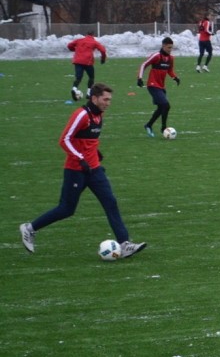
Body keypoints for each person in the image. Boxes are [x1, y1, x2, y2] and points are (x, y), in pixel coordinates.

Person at [19, 83, 146, 259]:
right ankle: (30, 228)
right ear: (94, 98)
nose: (108, 103)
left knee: (111, 202)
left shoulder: (99, 115)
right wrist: (80, 158)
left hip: (94, 169)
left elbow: (89, 139)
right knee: (66, 209)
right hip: (76, 170)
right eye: (105, 99)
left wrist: (96, 153)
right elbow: (64, 139)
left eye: (110, 100)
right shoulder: (81, 115)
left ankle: (124, 244)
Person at [138, 37, 181, 137]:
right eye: (168, 47)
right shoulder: (157, 56)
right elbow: (144, 64)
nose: (170, 50)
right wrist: (140, 78)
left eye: (171, 48)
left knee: (162, 107)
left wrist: (175, 77)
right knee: (166, 105)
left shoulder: (170, 58)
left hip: (161, 86)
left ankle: (148, 125)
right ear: (163, 46)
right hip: (152, 85)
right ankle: (163, 128)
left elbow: (170, 71)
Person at [67, 31, 107, 101]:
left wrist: (74, 50)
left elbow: (69, 45)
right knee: (91, 77)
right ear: (93, 35)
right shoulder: (94, 42)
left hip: (78, 61)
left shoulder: (79, 40)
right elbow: (103, 50)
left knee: (78, 77)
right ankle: (88, 93)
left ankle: (74, 89)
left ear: (86, 35)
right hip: (88, 62)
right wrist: (103, 59)